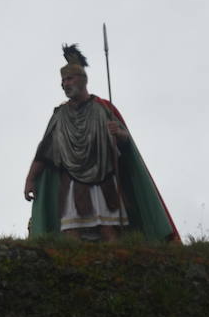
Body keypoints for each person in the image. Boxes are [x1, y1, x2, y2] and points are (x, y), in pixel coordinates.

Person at [24, 45, 179, 242]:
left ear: (82, 80)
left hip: (104, 178)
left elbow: (125, 143)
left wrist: (119, 133)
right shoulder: (60, 115)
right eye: (63, 81)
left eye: (69, 79)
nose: (65, 84)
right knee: (71, 232)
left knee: (109, 230)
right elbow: (44, 152)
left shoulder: (102, 108)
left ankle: (117, 266)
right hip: (71, 181)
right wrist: (31, 178)